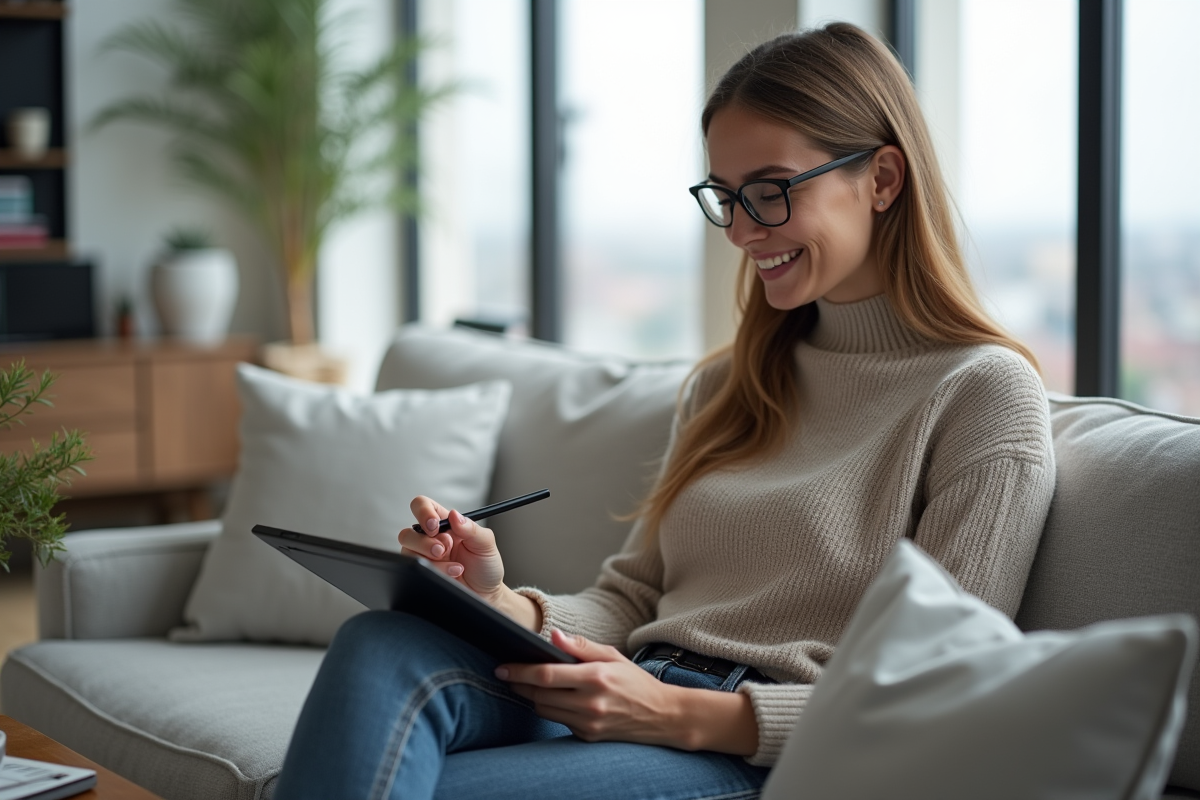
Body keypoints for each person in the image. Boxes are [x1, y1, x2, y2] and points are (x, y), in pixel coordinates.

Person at [273, 22, 1055, 800]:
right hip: (635, 692)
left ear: (882, 179)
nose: (744, 231)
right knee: (381, 640)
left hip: (761, 752)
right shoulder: (729, 385)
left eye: (773, 191)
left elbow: (943, 696)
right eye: (727, 197)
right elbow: (632, 598)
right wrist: (496, 598)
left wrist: (680, 713)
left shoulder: (980, 396)